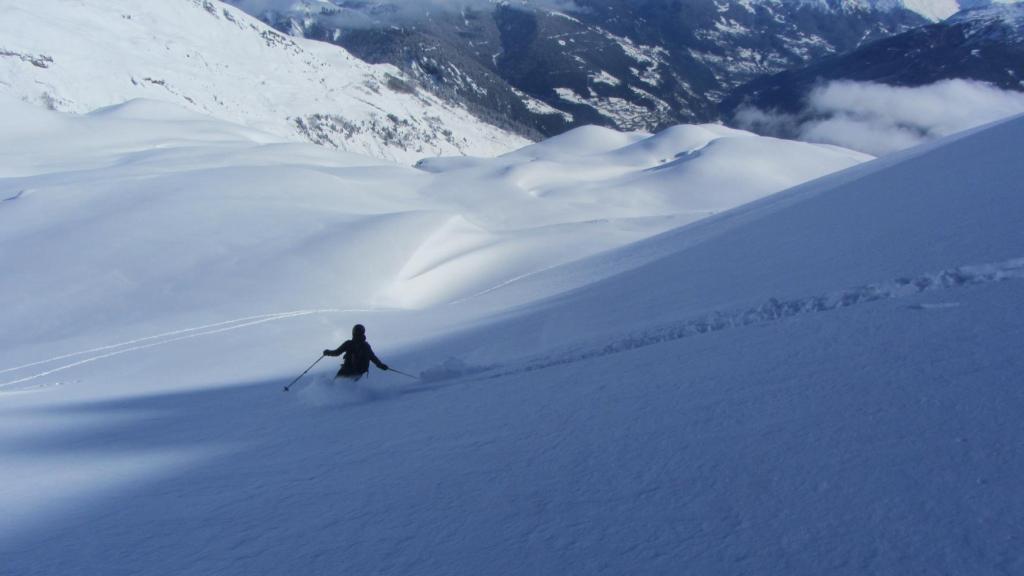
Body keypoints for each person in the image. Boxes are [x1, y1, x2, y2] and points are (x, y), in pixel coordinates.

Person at [323, 324, 389, 380]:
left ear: (353, 332)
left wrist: (328, 352)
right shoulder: (366, 345)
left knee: (337, 383)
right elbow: (373, 357)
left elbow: (336, 353)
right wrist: (381, 365)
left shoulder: (349, 343)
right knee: (346, 386)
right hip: (359, 372)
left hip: (347, 370)